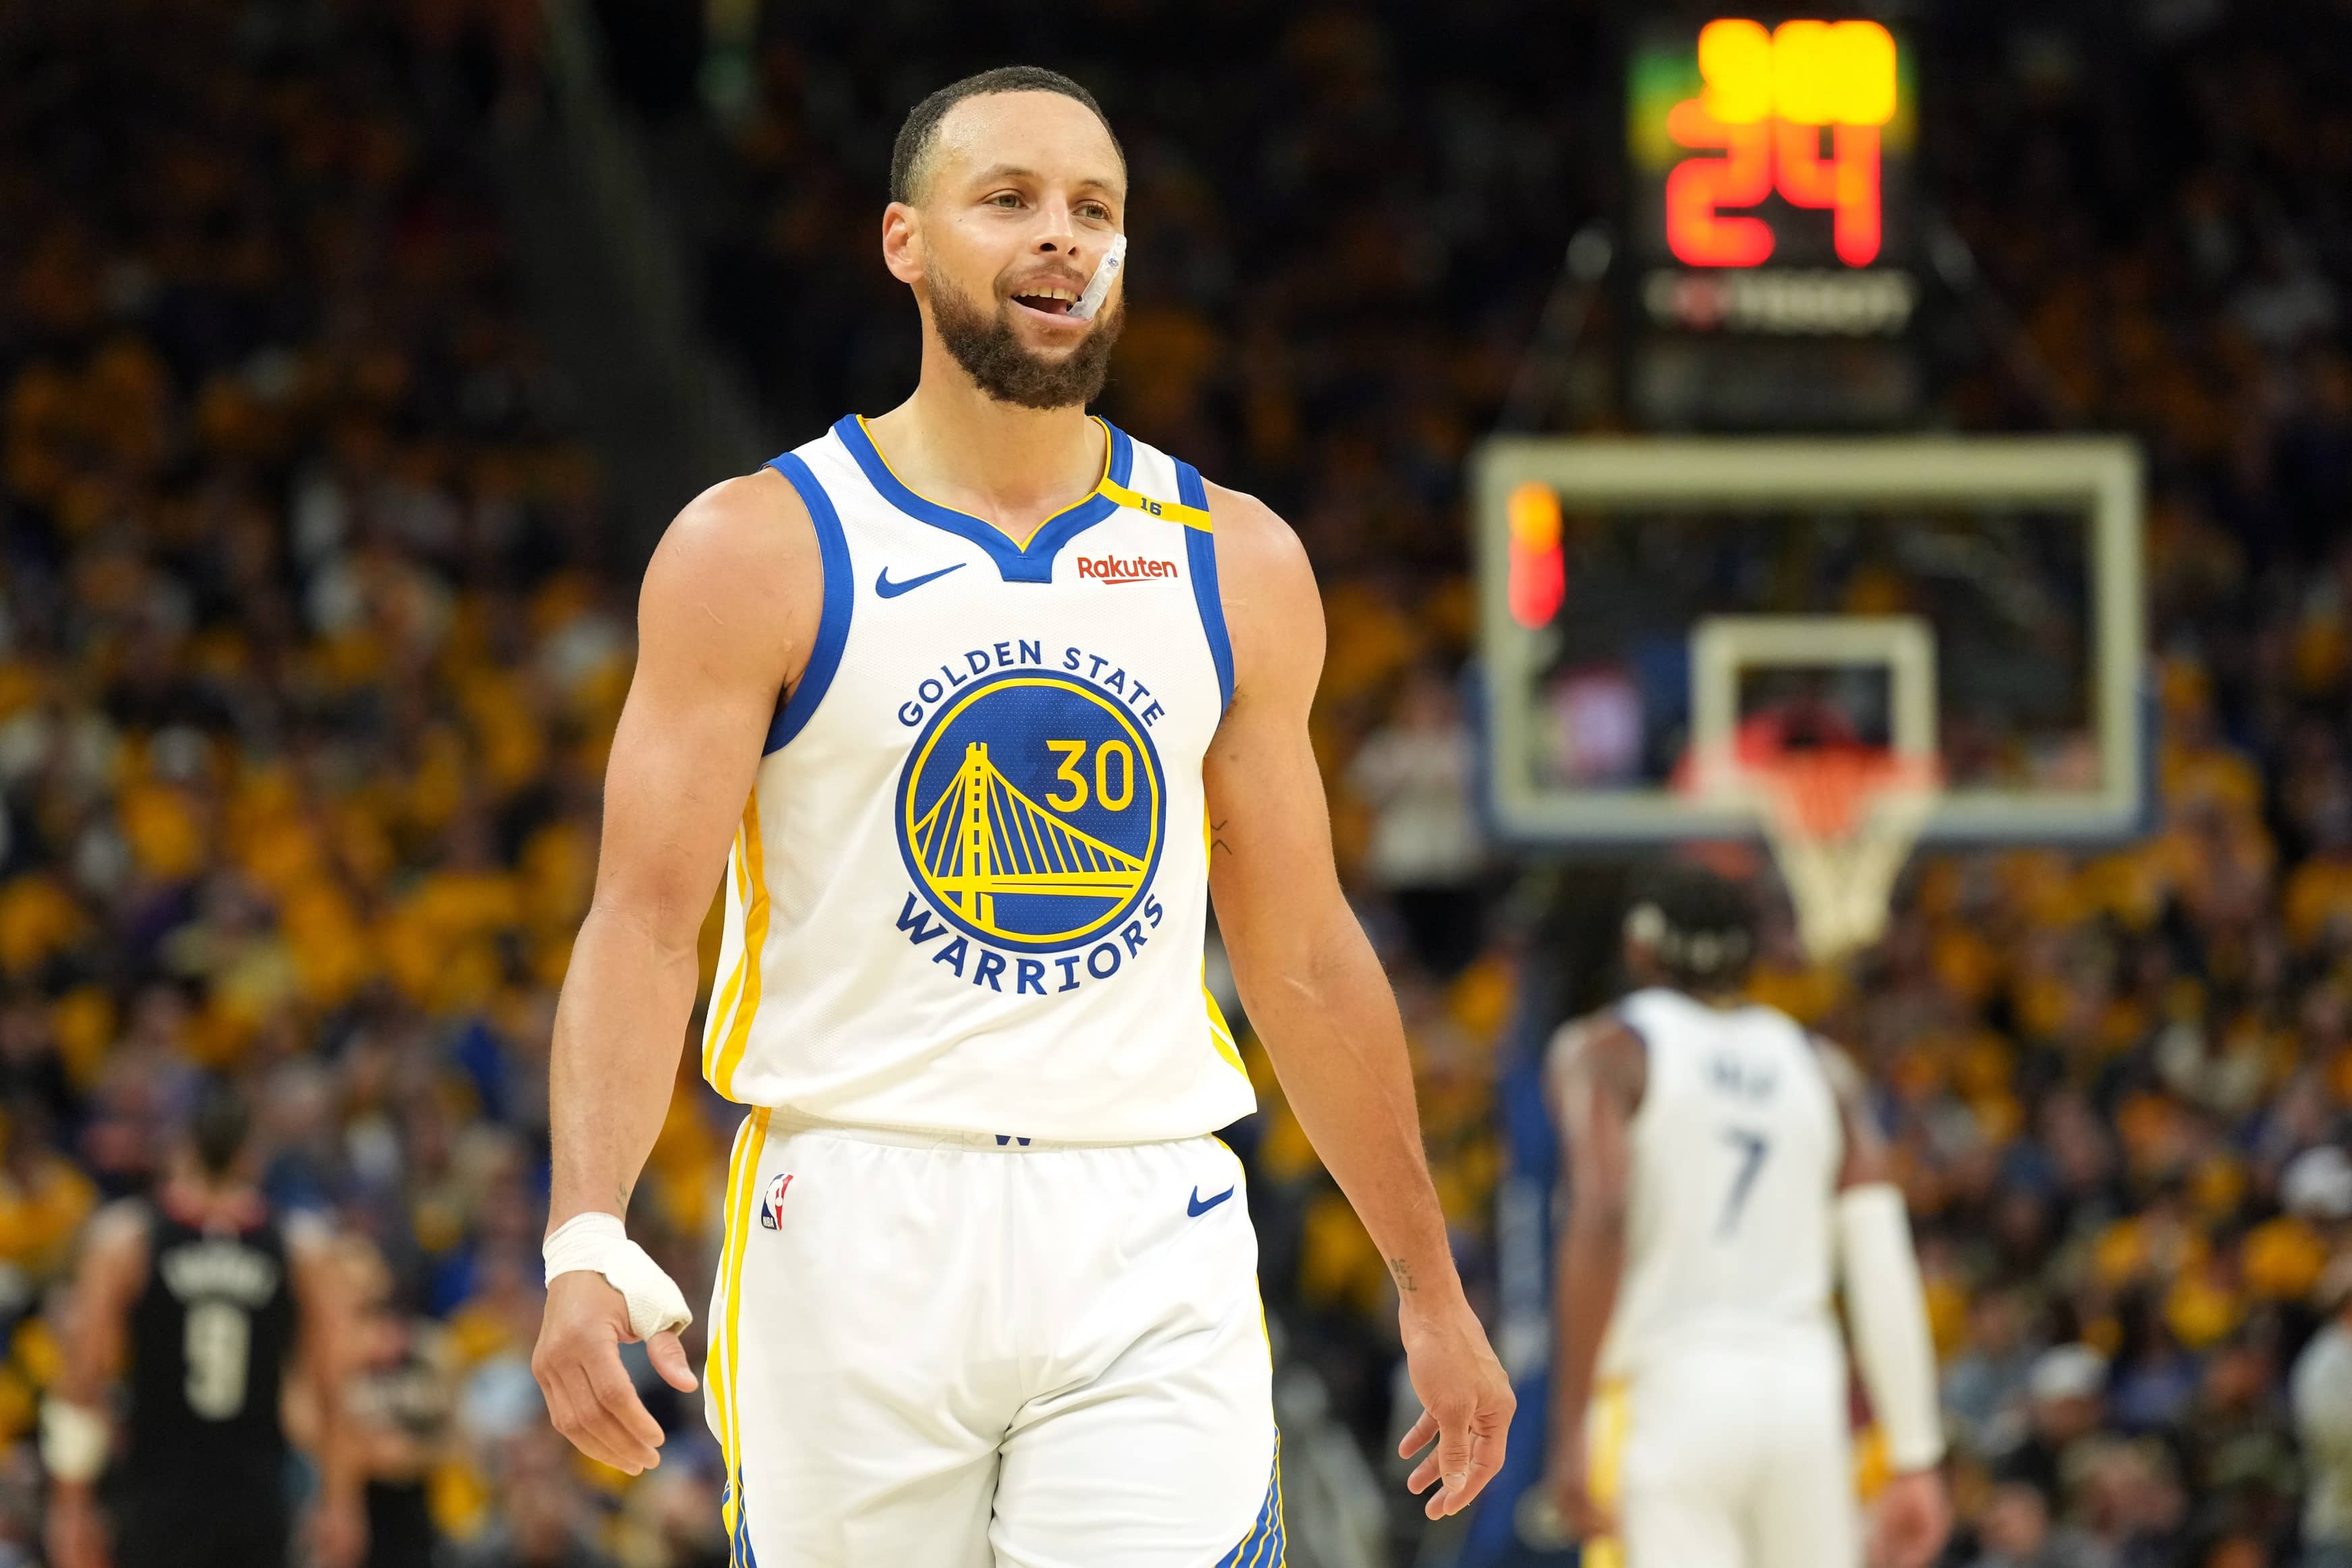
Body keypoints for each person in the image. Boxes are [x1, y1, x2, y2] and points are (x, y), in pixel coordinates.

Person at [528, 63, 1513, 1566]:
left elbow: (1304, 955)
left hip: (1143, 1213)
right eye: (1009, 201)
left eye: (1094, 209)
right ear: (904, 242)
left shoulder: (1234, 559)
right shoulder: (758, 544)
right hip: (851, 1207)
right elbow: (648, 920)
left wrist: (1429, 1287)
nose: (1062, 236)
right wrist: (586, 1229)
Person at [1542, 862, 1951, 1568]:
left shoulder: (1606, 1051)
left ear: (1640, 947)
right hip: (1803, 1390)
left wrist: (1569, 1419)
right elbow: (1881, 1257)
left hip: (1672, 1388)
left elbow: (1603, 1213)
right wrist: (1915, 1453)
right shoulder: (1824, 1067)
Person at [42, 1079, 362, 1568]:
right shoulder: (302, 1248)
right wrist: (341, 1503)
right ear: (252, 1156)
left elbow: (82, 1383)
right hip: (257, 1490)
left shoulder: (125, 1241)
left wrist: (71, 1507)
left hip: (155, 1490)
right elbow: (333, 1391)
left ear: (180, 1149)